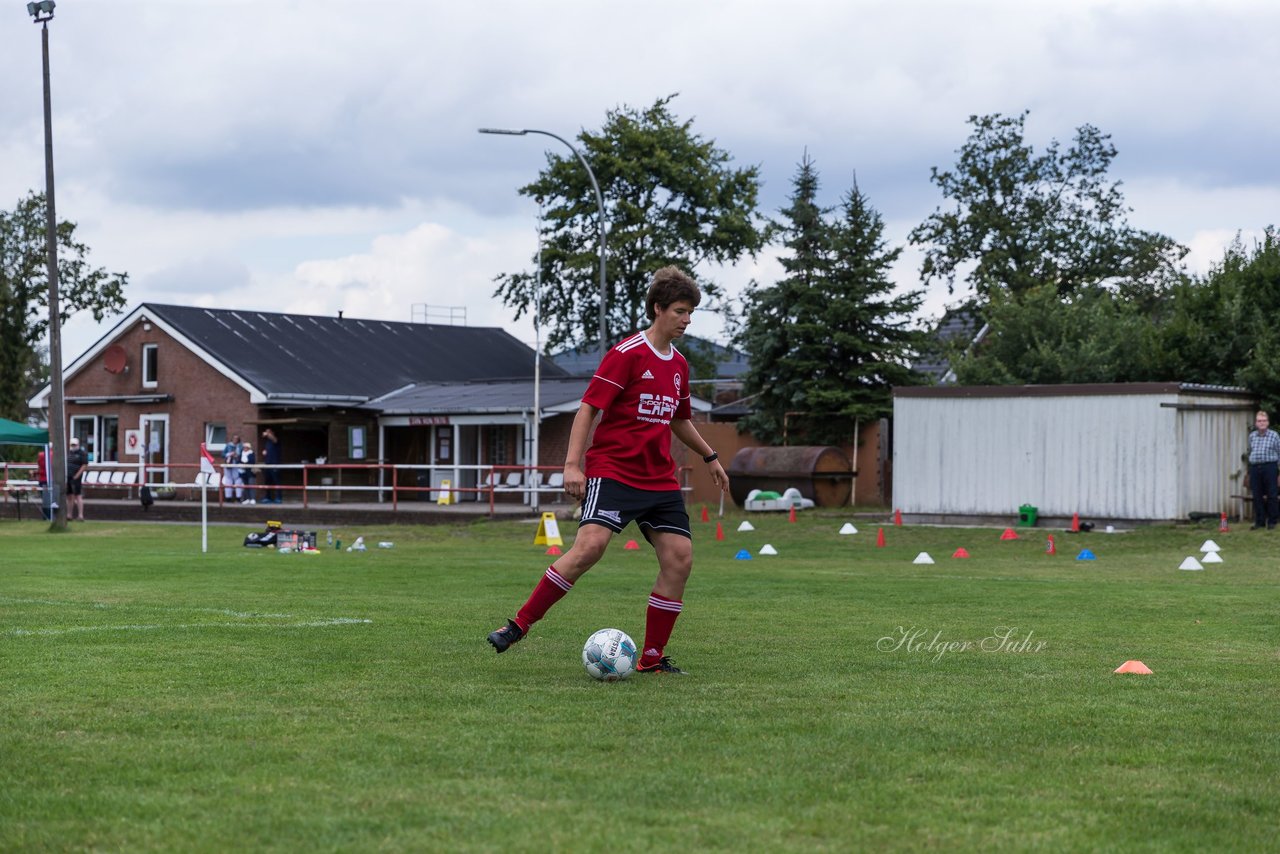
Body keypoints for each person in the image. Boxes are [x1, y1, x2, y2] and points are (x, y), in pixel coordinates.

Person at [486, 266, 729, 674]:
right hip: (613, 471)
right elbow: (589, 408)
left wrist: (710, 457)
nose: (687, 320)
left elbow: (680, 419)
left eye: (691, 314)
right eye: (681, 312)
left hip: (658, 479)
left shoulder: (680, 366)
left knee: (680, 558)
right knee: (589, 548)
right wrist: (571, 465)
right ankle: (518, 625)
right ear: (658, 309)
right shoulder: (627, 354)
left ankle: (651, 659)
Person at [1246, 410, 1280, 529]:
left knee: (1272, 495)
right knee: (1257, 495)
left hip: (1270, 467)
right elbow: (1250, 451)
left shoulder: (1274, 435)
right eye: (1259, 421)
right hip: (1255, 467)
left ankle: (1272, 521)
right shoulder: (1252, 436)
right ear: (1256, 423)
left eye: (1264, 421)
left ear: (1268, 422)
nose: (1262, 423)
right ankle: (1259, 522)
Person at [65, 437, 89, 522]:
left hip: (76, 478)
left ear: (78, 445)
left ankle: (80, 515)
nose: (73, 446)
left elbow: (84, 465)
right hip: (68, 476)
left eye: (74, 445)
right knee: (69, 496)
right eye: (72, 445)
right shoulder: (68, 452)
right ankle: (69, 515)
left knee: (77, 495)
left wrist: (77, 475)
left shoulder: (82, 453)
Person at [260, 428, 282, 503]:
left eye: (268, 431)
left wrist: (267, 434)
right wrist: (265, 452)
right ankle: (268, 497)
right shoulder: (267, 442)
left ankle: (279, 498)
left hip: (274, 464)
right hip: (267, 464)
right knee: (267, 481)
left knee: (277, 481)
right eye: (266, 431)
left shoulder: (275, 439)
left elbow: (274, 439)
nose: (266, 433)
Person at [223, 434, 243, 502]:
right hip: (229, 464)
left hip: (237, 464)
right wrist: (229, 454)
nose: (235, 440)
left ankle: (238, 497)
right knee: (228, 480)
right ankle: (228, 498)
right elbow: (223, 454)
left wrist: (237, 455)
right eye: (234, 438)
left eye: (237, 439)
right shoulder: (228, 445)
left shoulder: (240, 446)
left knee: (238, 480)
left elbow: (243, 455)